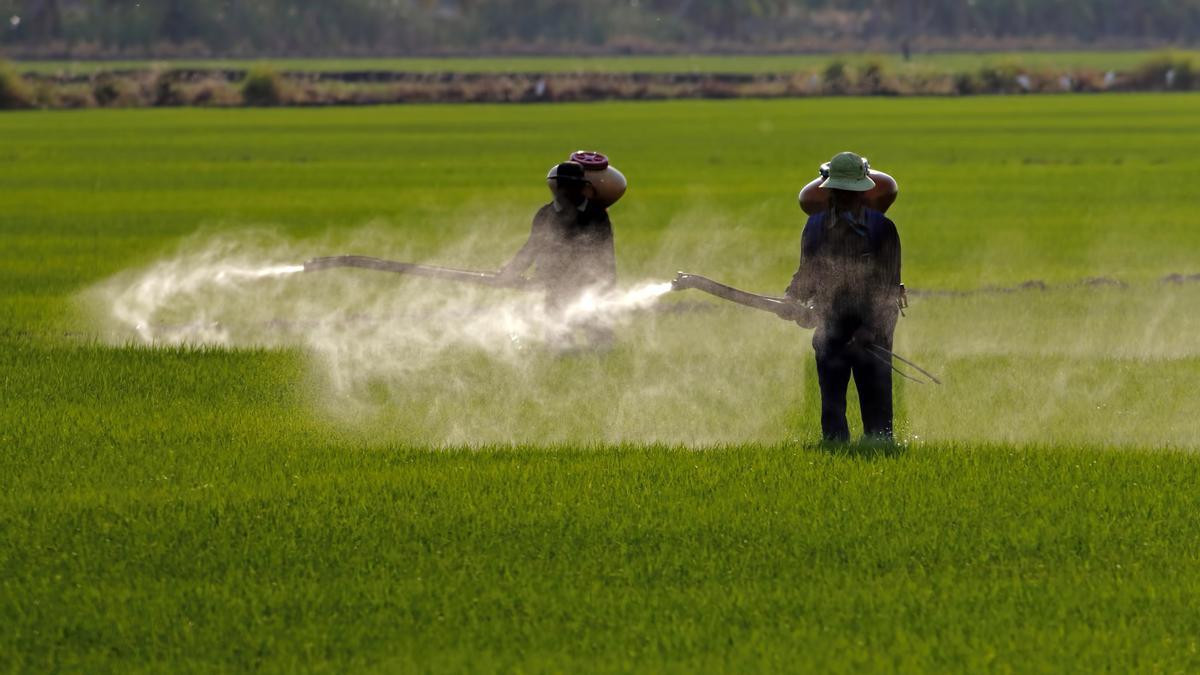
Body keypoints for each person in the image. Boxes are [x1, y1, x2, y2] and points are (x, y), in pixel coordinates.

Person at [783, 152, 904, 443]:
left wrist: (869, 330)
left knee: (875, 393)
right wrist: (792, 298)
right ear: (831, 191)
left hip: (874, 326)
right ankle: (835, 444)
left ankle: (880, 443)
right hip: (830, 321)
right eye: (839, 191)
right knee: (832, 395)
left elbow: (887, 287)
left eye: (850, 192)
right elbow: (807, 271)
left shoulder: (882, 229)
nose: (844, 197)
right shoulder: (814, 227)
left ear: (862, 192)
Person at [498, 161, 617, 349]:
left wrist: (607, 285)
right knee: (558, 343)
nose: (564, 191)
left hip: (589, 286)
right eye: (561, 186)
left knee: (600, 343)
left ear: (581, 188)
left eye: (570, 187)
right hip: (555, 286)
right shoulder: (545, 214)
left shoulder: (596, 216)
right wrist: (513, 270)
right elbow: (532, 247)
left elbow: (604, 253)